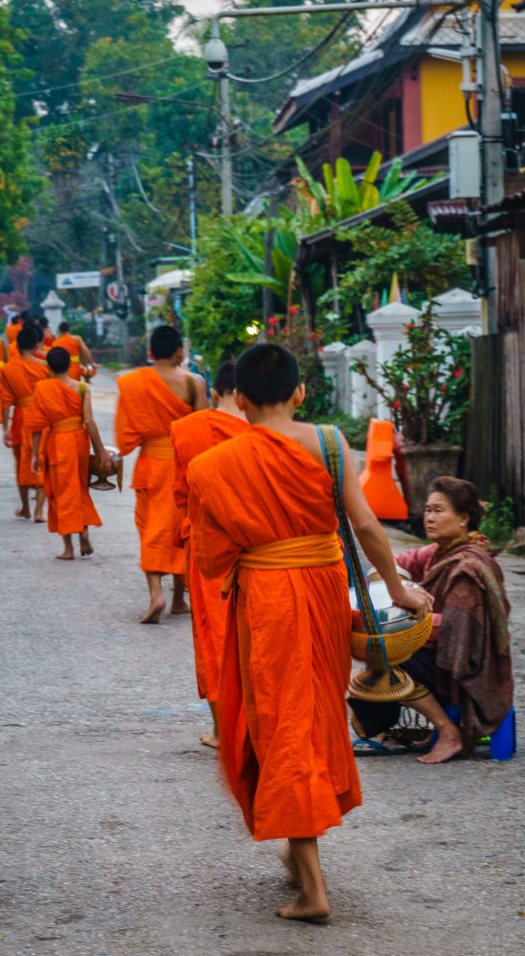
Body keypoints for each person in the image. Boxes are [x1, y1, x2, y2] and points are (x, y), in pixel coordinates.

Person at [188, 344, 433, 922]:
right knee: (311, 713)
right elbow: (366, 523)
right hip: (323, 593)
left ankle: (313, 887)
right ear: (300, 392)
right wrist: (397, 590)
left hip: (267, 600)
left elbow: (211, 559)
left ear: (239, 399)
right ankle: (299, 857)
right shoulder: (328, 442)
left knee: (281, 720)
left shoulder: (211, 465)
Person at [349, 476, 514, 765]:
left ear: (463, 518)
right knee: (381, 639)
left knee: (386, 652)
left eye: (439, 511)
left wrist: (403, 616)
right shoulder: (441, 551)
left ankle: (448, 732)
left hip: (465, 664)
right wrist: (383, 584)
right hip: (441, 653)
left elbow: (456, 629)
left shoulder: (469, 566)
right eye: (427, 510)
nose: (430, 518)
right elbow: (395, 562)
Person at [170, 359, 248, 748]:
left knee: (213, 635)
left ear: (214, 393)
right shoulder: (266, 432)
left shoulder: (187, 431)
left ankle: (221, 730)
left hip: (205, 547)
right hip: (258, 547)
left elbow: (181, 495)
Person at [116, 325, 208, 623]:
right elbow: (202, 428)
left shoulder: (133, 382)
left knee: (152, 529)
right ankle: (179, 599)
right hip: (183, 464)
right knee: (182, 530)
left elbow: (126, 437)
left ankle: (158, 594)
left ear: (151, 352)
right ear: (179, 351)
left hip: (151, 465)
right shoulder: (193, 383)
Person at [29, 347, 112, 560]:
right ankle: (83, 530)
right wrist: (101, 450)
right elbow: (89, 421)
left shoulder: (42, 388)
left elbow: (37, 425)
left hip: (57, 442)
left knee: (60, 493)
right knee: (79, 488)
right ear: (69, 365)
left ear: (48, 366)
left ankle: (68, 548)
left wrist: (34, 454)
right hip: (79, 442)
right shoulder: (82, 387)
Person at [0, 325, 49, 521]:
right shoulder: (44, 367)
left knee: (21, 462)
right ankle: (39, 511)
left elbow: (5, 402)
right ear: (37, 345)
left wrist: (5, 428)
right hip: (42, 416)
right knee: (43, 460)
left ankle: (25, 508)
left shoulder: (8, 368)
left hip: (20, 418)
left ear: (17, 346)